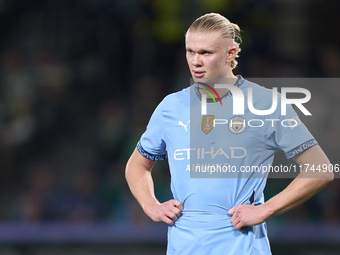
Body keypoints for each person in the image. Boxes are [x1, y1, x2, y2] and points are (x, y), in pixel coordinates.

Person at [125, 13, 333, 255]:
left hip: (241, 246)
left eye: (205, 53)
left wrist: (265, 210)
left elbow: (321, 169)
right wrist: (151, 206)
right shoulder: (171, 106)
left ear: (231, 54)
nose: (195, 61)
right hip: (184, 247)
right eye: (190, 51)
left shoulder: (266, 103)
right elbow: (137, 165)